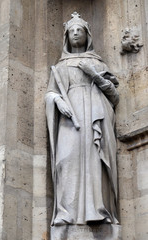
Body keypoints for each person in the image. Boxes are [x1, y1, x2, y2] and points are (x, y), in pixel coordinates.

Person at [45, 12, 119, 227]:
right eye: (71, 31)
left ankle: (98, 210)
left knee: (95, 160)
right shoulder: (60, 66)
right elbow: (50, 92)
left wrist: (94, 75)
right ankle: (66, 213)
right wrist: (58, 101)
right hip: (69, 118)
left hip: (97, 117)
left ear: (88, 35)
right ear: (66, 37)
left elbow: (114, 97)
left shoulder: (98, 63)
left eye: (80, 30)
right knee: (66, 160)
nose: (76, 33)